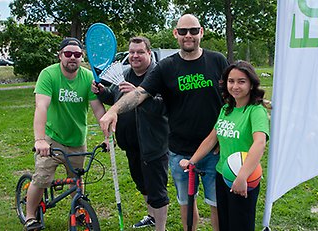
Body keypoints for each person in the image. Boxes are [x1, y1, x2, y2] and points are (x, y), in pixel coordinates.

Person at [99, 14, 229, 231]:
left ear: (201, 32)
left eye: (194, 31)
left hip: (214, 149)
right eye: (184, 31)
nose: (189, 35)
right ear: (175, 33)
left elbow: (232, 95)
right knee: (187, 204)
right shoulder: (166, 67)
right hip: (180, 152)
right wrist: (114, 110)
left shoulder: (217, 60)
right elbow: (140, 93)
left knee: (216, 205)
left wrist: (257, 102)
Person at [24, 37, 106, 231]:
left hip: (77, 140)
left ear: (82, 57)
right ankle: (29, 216)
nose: (72, 58)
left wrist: (107, 137)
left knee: (77, 180)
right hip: (52, 139)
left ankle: (78, 209)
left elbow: (98, 111)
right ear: (60, 55)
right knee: (42, 178)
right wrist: (40, 140)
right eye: (68, 54)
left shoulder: (87, 78)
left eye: (77, 54)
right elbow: (41, 107)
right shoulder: (49, 75)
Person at [179, 61, 270, 231]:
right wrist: (192, 161)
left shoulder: (256, 111)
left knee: (240, 225)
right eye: (231, 81)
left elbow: (259, 143)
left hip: (244, 178)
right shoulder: (227, 109)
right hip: (222, 175)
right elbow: (211, 139)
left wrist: (242, 177)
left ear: (251, 84)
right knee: (225, 224)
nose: (235, 86)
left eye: (241, 81)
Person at [92, 36, 169, 231]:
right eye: (132, 52)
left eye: (140, 52)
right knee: (141, 183)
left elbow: (164, 107)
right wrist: (102, 93)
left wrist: (138, 95)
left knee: (157, 190)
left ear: (149, 53)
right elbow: (115, 100)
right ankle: (151, 216)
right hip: (131, 143)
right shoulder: (124, 74)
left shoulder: (159, 75)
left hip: (153, 143)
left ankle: (161, 227)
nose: (135, 56)